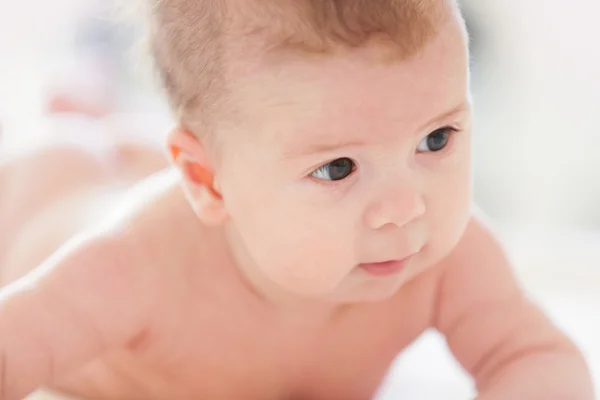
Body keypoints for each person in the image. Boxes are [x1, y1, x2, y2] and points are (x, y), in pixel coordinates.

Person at [0, 1, 593, 399]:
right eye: (338, 168)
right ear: (207, 182)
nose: (405, 207)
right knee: (72, 159)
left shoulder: (446, 253)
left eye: (435, 139)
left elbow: (533, 354)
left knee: (219, 145)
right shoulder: (134, 267)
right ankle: (82, 113)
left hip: (225, 175)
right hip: (45, 204)